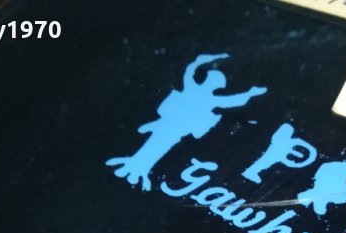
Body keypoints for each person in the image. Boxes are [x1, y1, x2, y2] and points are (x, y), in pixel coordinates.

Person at [106, 53, 266, 191]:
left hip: (175, 132)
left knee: (159, 148)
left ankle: (140, 168)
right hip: (166, 125)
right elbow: (191, 70)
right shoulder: (196, 90)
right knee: (154, 145)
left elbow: (233, 101)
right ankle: (136, 167)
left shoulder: (207, 97)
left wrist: (251, 94)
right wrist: (209, 59)